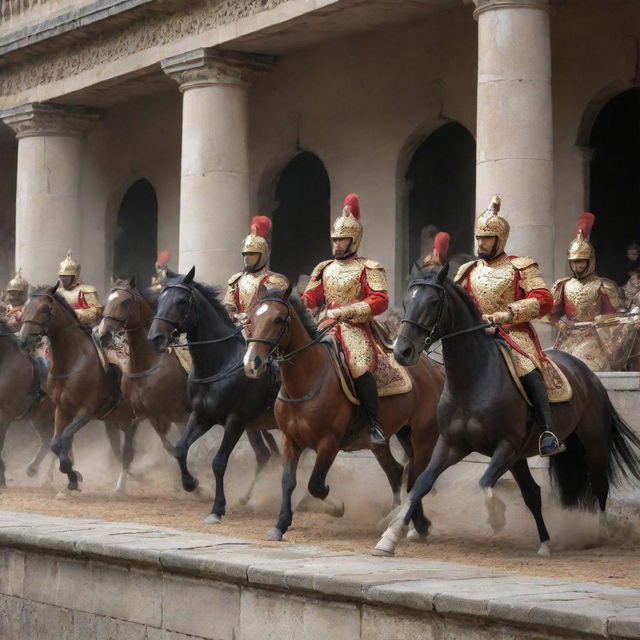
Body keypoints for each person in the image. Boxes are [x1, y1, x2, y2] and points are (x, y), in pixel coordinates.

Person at [454, 195, 565, 457]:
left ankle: (548, 431)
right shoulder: (468, 270)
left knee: (527, 368)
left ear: (500, 239)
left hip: (513, 332)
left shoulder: (521, 266)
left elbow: (544, 300)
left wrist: (506, 314)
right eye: (479, 238)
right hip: (476, 334)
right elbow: (458, 303)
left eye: (487, 238)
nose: (481, 243)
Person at [303, 193, 388, 448]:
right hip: (324, 325)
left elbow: (380, 300)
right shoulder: (324, 268)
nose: (337, 244)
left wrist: (346, 312)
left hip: (355, 328)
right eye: (335, 239)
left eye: (342, 240)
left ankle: (375, 424)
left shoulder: (368, 267)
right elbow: (310, 297)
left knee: (359, 365)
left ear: (354, 240)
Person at [549, 213, 627, 371]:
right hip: (569, 337)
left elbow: (618, 317)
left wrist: (603, 324)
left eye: (581, 262)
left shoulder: (603, 285)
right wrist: (560, 324)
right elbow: (550, 312)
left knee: (585, 367)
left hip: (595, 339)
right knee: (554, 368)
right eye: (574, 262)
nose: (577, 266)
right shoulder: (563, 285)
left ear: (589, 261)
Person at [223, 216, 289, 323]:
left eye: (252, 256)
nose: (247, 260)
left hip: (265, 330)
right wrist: (235, 316)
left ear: (263, 256)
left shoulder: (276, 281)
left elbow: (280, 310)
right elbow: (228, 309)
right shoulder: (236, 281)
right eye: (245, 256)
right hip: (241, 329)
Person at [56, 250, 103, 325]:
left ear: (74, 277)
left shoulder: (86, 290)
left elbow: (96, 312)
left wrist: (75, 314)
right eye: (61, 276)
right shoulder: (56, 292)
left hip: (81, 328)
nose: (63, 279)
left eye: (66, 276)